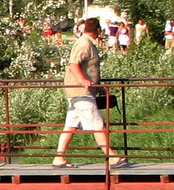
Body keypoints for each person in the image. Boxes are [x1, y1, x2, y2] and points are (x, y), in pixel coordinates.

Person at [52, 17, 130, 169]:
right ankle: (112, 157)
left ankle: (59, 157)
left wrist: (96, 86)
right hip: (81, 92)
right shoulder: (84, 43)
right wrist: (83, 80)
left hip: (81, 91)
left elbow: (87, 68)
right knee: (97, 124)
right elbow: (74, 64)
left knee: (71, 125)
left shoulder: (86, 42)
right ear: (98, 30)